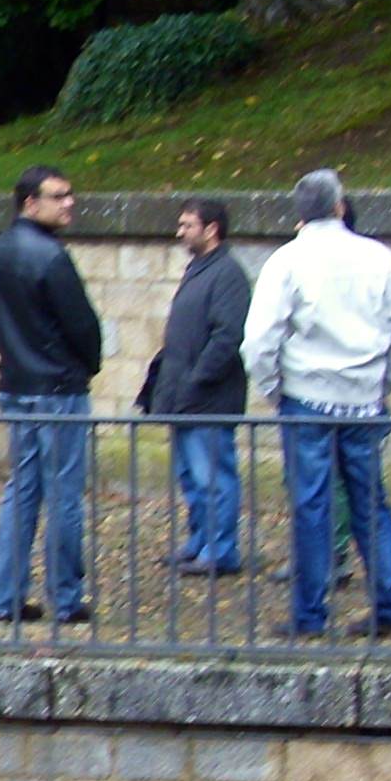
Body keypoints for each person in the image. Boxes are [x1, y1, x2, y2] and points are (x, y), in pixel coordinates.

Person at [241, 168, 391, 639]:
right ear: (341, 206)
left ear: (299, 214)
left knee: (311, 506)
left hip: (306, 397)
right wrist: (383, 383)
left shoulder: (287, 261)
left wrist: (275, 389)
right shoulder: (378, 257)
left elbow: (259, 339)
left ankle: (310, 614)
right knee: (371, 504)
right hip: (363, 398)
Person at [0, 166, 105, 626]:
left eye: (70, 194)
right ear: (30, 203)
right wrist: (86, 365)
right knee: (63, 495)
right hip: (57, 388)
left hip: (17, 384)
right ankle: (66, 598)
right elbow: (82, 326)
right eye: (59, 196)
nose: (69, 203)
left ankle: (6, 596)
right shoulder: (51, 257)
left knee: (22, 491)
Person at [137, 197, 251, 575]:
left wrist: (197, 379)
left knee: (213, 478)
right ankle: (200, 541)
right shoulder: (199, 270)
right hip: (184, 397)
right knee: (192, 478)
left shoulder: (228, 274)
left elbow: (227, 336)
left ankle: (220, 551)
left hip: (209, 398)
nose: (180, 232)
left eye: (188, 225)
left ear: (211, 229)